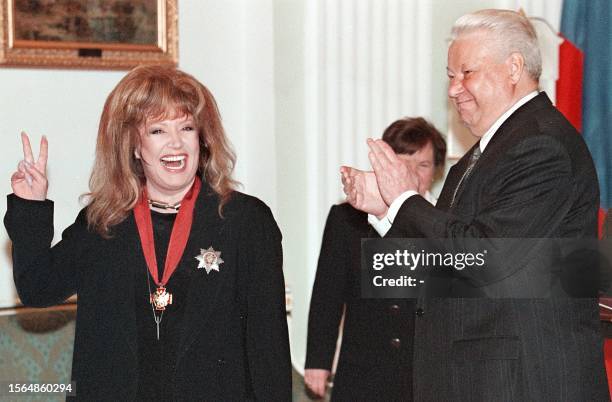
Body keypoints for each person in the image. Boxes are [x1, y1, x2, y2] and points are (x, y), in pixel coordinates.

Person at [342, 9, 608, 401]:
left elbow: (484, 259)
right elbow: (446, 272)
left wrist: (405, 200)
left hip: (522, 382)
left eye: (466, 73)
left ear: (513, 68)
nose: (453, 89)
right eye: (450, 76)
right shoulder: (479, 156)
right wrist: (387, 210)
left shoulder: (541, 146)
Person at [4, 65, 292, 401]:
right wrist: (30, 207)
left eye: (186, 127)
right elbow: (38, 288)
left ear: (202, 138)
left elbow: (268, 347)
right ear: (134, 146)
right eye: (157, 130)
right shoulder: (103, 221)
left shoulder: (246, 222)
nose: (176, 142)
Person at [305, 117, 446, 401]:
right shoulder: (347, 218)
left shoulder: (447, 222)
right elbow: (328, 291)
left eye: (423, 165)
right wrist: (317, 361)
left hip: (426, 373)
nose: (411, 174)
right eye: (402, 163)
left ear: (436, 171)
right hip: (363, 370)